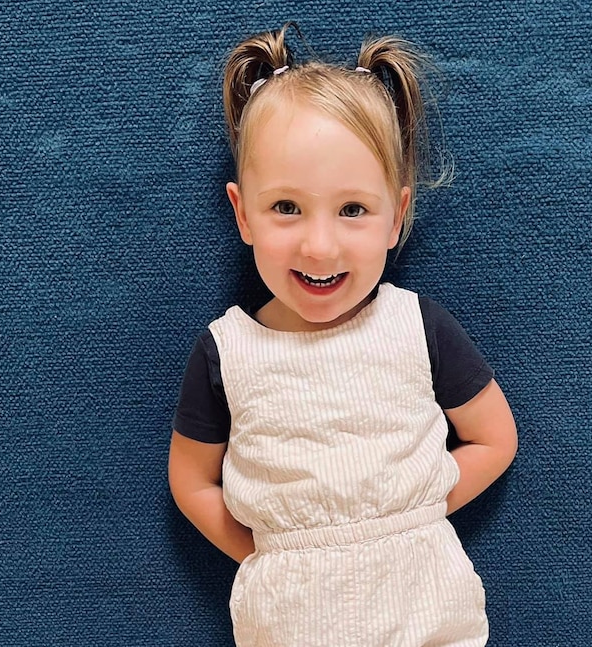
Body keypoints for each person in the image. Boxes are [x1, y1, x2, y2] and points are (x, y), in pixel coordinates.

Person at [168, 23, 518, 646]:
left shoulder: (416, 327)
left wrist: (413, 513)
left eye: (352, 209)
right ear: (242, 213)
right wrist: (266, 548)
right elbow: (192, 480)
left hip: (426, 615)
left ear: (396, 216)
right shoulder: (228, 352)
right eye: (286, 208)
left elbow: (494, 438)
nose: (319, 244)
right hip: (291, 618)